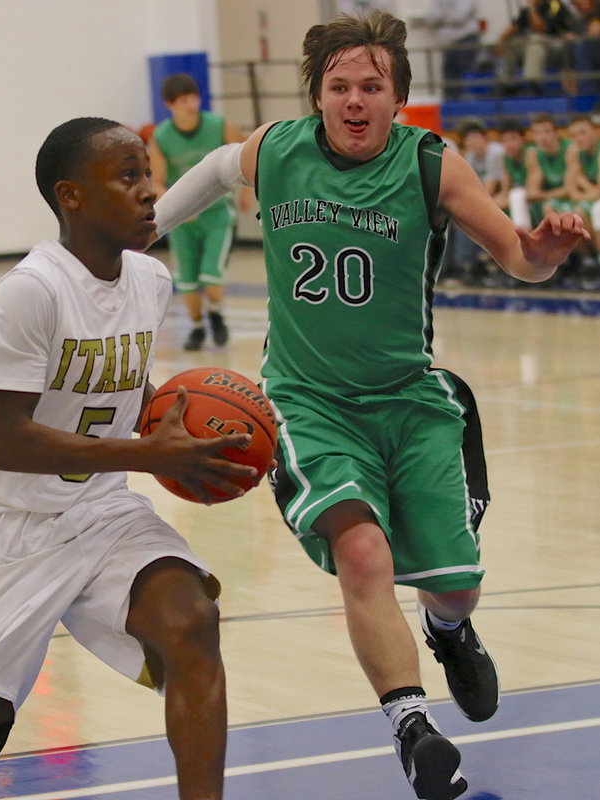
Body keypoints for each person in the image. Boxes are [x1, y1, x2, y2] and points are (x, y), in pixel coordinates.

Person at [153, 11, 588, 799]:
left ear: (397, 98)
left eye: (371, 87)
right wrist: (142, 228)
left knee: (453, 583)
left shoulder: (430, 163)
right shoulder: (277, 150)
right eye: (338, 86)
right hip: (307, 400)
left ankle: (447, 627)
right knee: (361, 552)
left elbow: (518, 257)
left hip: (408, 400)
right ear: (317, 95)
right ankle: (411, 725)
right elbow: (215, 170)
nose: (354, 100)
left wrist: (545, 252)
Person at [0, 117, 260, 800]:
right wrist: (148, 452)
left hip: (99, 512)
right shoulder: (33, 289)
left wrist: (187, 429)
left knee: (191, 622)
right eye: (127, 176)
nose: (148, 190)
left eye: (147, 173)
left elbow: (123, 389)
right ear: (72, 195)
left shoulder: (149, 281)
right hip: (3, 528)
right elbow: (8, 440)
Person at [149, 73, 251, 351]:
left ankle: (216, 314)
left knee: (211, 273)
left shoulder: (218, 125)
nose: (191, 104)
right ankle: (196, 328)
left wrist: (247, 192)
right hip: (184, 221)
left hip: (217, 214)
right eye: (183, 100)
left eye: (193, 98)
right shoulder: (161, 136)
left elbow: (247, 155)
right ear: (170, 105)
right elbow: (156, 181)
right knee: (188, 280)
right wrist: (179, 205)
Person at [447, 117, 505, 284]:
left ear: (484, 137)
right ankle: (459, 265)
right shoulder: (471, 156)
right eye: (468, 139)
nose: (472, 142)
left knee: (469, 215)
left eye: (475, 137)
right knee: (454, 216)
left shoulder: (495, 152)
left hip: (501, 198)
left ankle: (471, 264)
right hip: (486, 199)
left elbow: (489, 188)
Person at [496, 0, 577, 96]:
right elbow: (515, 27)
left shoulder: (555, 6)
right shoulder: (528, 9)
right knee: (511, 44)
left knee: (536, 39)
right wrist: (500, 41)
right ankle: (507, 84)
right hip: (533, 47)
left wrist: (532, 8)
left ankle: (533, 81)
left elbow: (539, 29)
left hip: (554, 44)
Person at [413, 0, 481, 100]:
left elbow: (459, 16)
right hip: (448, 44)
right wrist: (447, 16)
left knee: (466, 73)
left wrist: (442, 18)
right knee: (449, 75)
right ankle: (451, 103)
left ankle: (467, 102)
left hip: (465, 41)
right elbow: (431, 18)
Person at [565, 112, 600, 286]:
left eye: (583, 132)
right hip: (589, 199)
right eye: (574, 135)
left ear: (594, 131)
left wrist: (579, 177)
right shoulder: (574, 153)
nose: (579, 138)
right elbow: (570, 191)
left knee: (597, 209)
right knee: (570, 214)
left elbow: (598, 192)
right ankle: (588, 261)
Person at [492, 117, 534, 230]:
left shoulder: (530, 154)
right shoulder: (505, 157)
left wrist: (509, 199)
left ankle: (522, 235)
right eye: (505, 141)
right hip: (518, 198)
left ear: (523, 139)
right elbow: (505, 188)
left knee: (517, 195)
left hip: (536, 198)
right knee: (492, 205)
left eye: (513, 139)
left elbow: (532, 191)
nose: (509, 144)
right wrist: (498, 200)